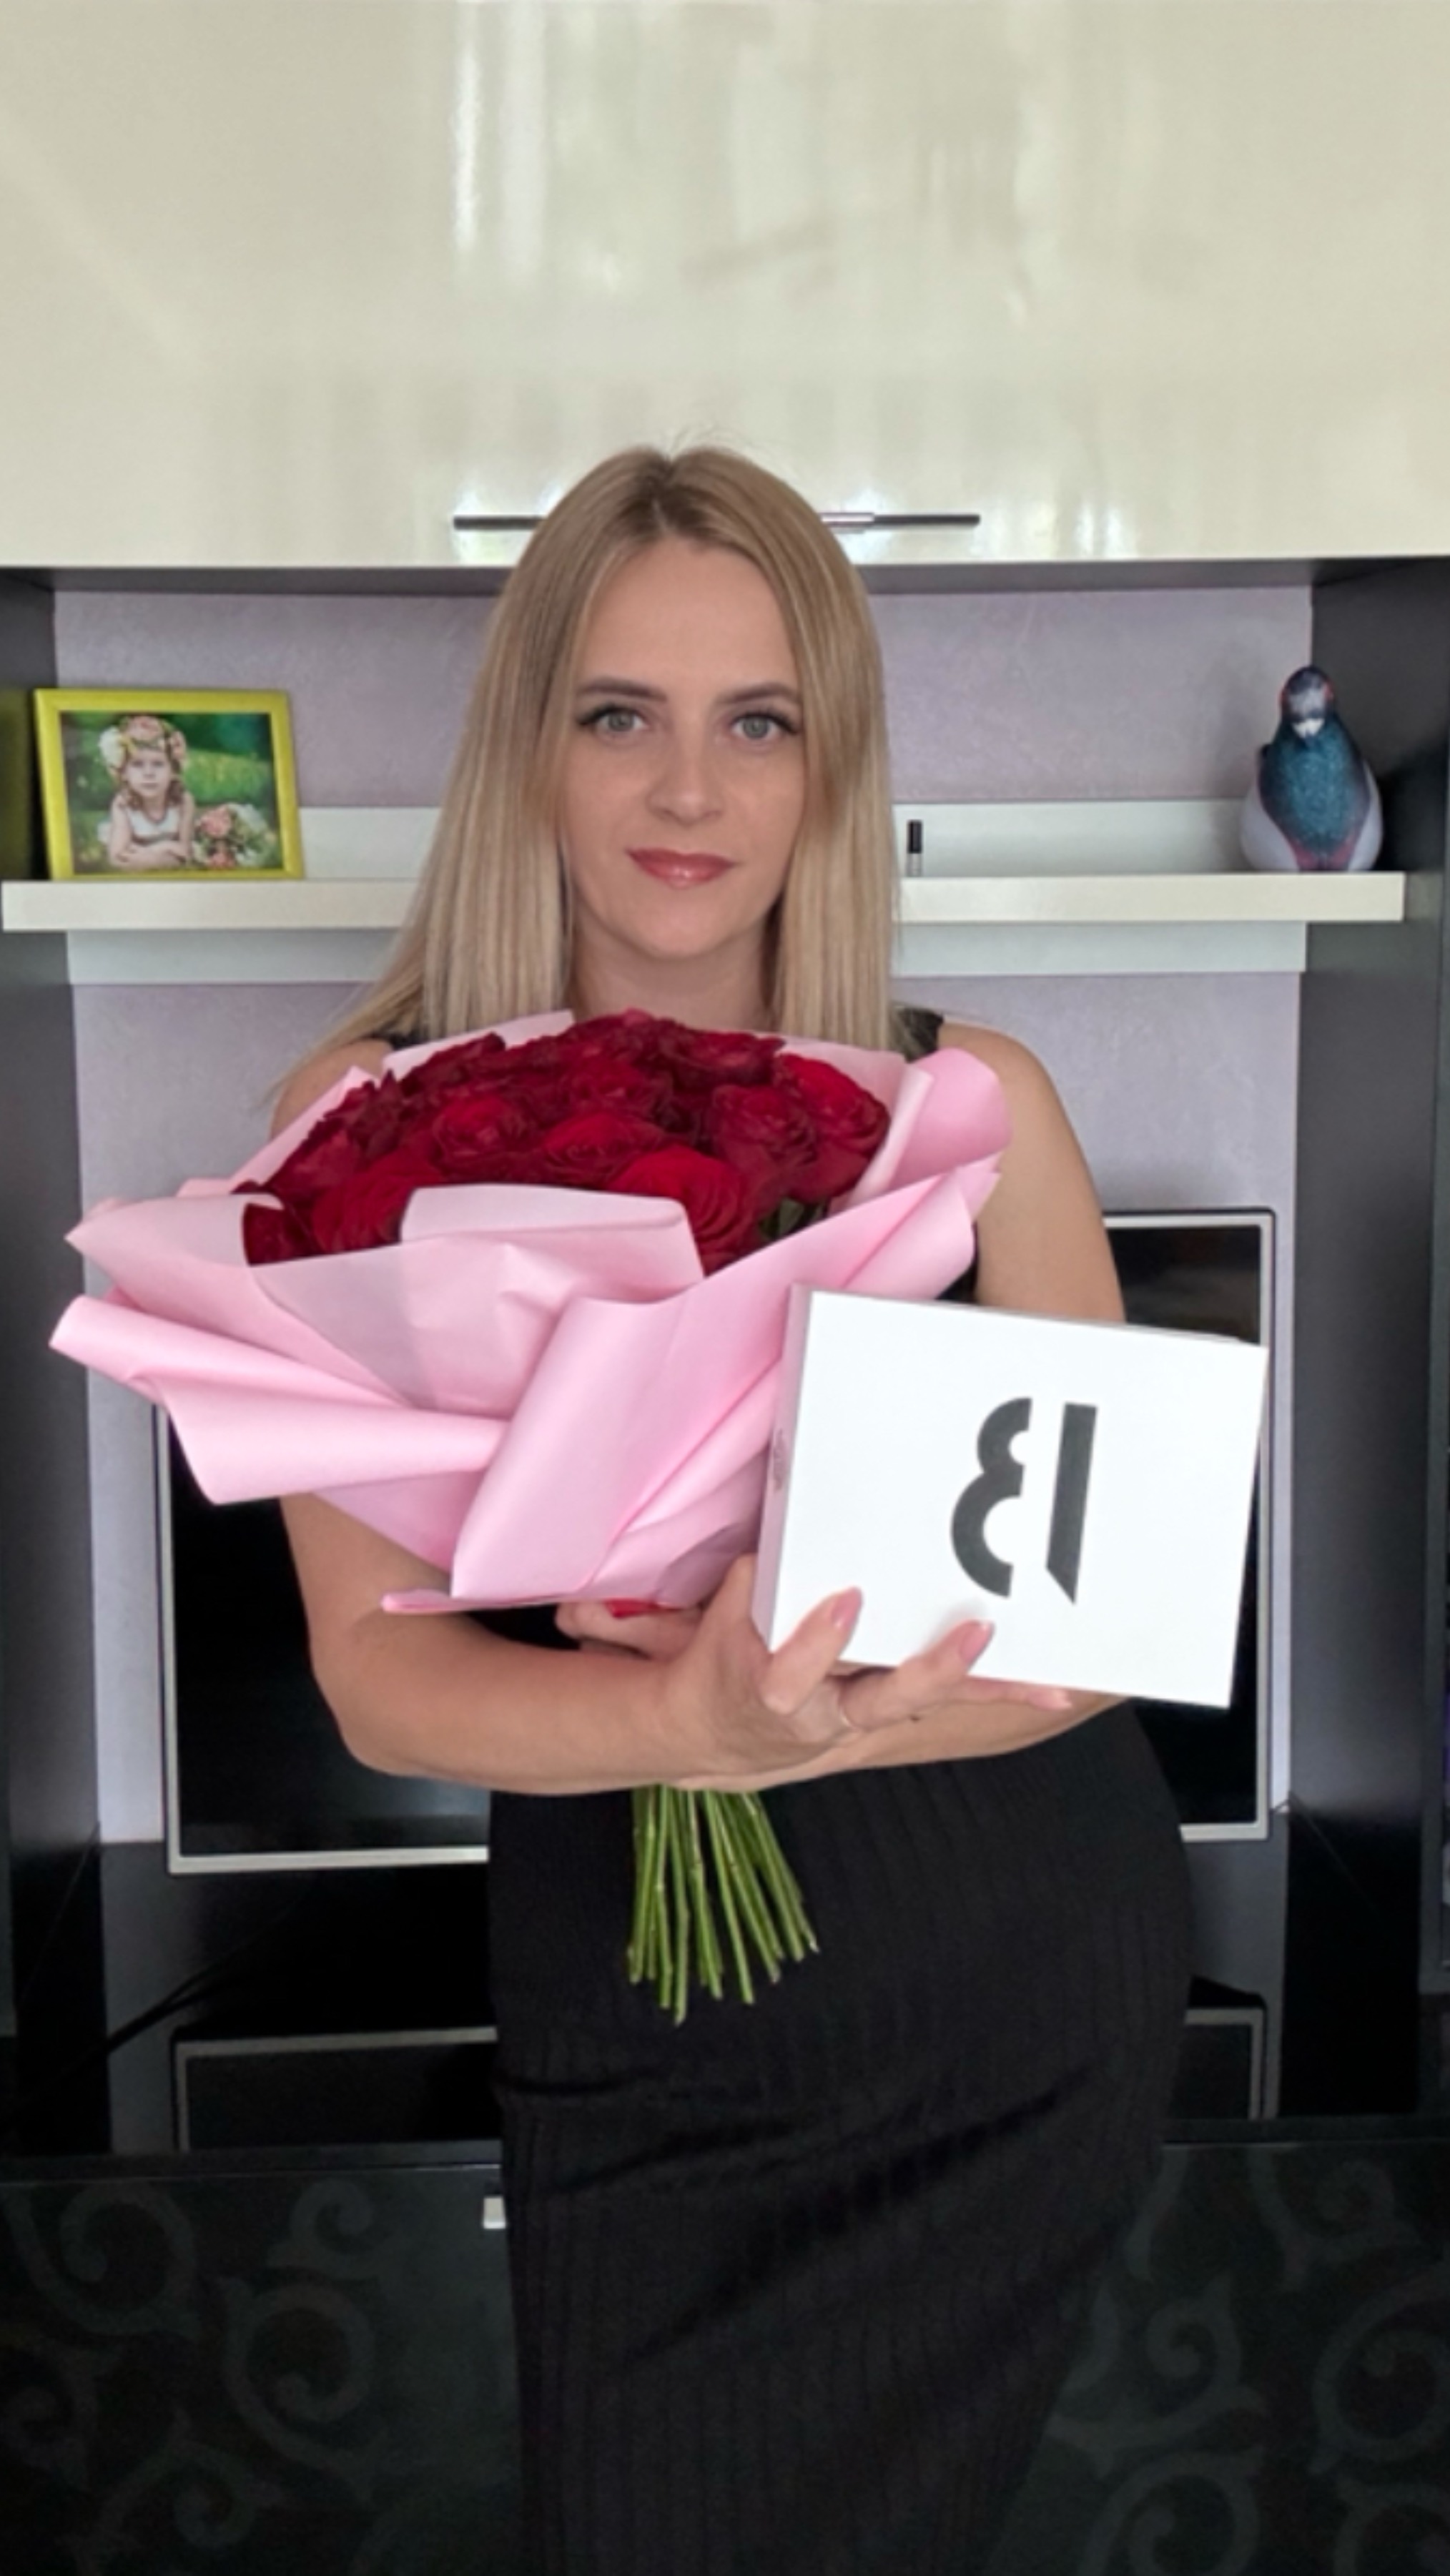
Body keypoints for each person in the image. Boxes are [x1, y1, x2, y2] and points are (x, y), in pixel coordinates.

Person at [273, 446, 1192, 2575]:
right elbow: (377, 1676)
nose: (686, 789)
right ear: (530, 748)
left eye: (756, 721)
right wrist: (680, 1724)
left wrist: (783, 1722)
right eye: (620, 713)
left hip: (1001, 1965)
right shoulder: (359, 1127)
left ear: (826, 767)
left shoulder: (973, 1104)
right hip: (634, 2000)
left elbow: (1102, 1615)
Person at [99, 712, 196, 869]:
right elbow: (117, 858)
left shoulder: (184, 801)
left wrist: (153, 854)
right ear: (124, 773)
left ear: (173, 770)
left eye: (158, 764)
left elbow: (186, 853)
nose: (149, 773)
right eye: (138, 765)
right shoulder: (123, 804)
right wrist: (170, 849)